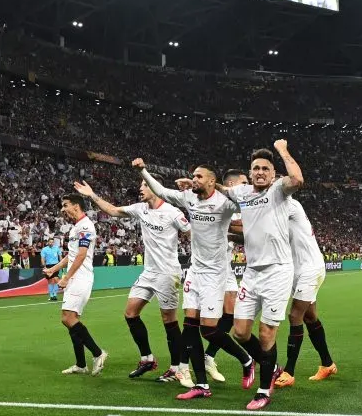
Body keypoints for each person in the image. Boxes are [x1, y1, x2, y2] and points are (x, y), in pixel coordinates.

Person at [134, 158, 254, 401]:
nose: (194, 179)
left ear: (211, 181)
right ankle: (201, 384)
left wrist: (226, 189)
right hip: (195, 271)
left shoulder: (224, 203)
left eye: (199, 177)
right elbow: (161, 191)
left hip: (215, 273)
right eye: (194, 176)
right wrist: (143, 171)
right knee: (190, 327)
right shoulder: (189, 198)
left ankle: (247, 359)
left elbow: (248, 204)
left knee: (209, 329)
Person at [74, 177, 188, 382]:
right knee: (130, 313)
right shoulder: (140, 208)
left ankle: (176, 367)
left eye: (144, 185)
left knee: (169, 321)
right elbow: (113, 210)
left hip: (168, 273)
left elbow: (192, 233)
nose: (140, 188)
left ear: (155, 188)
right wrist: (91, 195)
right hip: (148, 272)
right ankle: (147, 359)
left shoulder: (173, 212)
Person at [222, 141, 303, 410]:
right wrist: (196, 186)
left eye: (265, 168)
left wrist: (282, 151)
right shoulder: (242, 192)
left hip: (278, 271)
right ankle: (272, 366)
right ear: (250, 171)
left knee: (267, 333)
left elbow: (297, 179)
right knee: (240, 332)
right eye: (255, 168)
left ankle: (264, 389)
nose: (259, 172)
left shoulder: (279, 190)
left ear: (272, 173)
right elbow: (221, 190)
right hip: (252, 273)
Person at [42, 194, 107, 376]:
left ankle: (98, 353)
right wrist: (53, 269)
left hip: (80, 277)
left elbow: (81, 255)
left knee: (67, 318)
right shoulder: (75, 228)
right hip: (75, 277)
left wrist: (66, 278)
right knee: (71, 320)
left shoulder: (86, 226)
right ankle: (80, 364)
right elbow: (70, 255)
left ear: (76, 206)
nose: (62, 209)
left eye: (65, 205)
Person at [275, 198, 336, 387]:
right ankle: (327, 364)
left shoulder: (290, 205)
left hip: (310, 268)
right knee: (310, 317)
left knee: (295, 315)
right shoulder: (273, 207)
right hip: (296, 269)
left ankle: (289, 372)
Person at [202, 169, 247, 384]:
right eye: (243, 183)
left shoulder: (236, 208)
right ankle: (181, 364)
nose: (247, 186)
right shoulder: (220, 203)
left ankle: (208, 357)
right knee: (197, 321)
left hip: (225, 267)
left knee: (230, 312)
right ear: (230, 184)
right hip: (208, 267)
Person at [40, 237, 62, 302]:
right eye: (50, 242)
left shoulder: (57, 248)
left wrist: (61, 264)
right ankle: (51, 295)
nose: (51, 243)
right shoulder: (44, 249)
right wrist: (44, 266)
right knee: (50, 281)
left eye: (52, 242)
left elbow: (60, 257)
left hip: (56, 265)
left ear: (53, 243)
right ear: (48, 242)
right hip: (48, 266)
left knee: (55, 279)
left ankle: (55, 295)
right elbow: (42, 258)